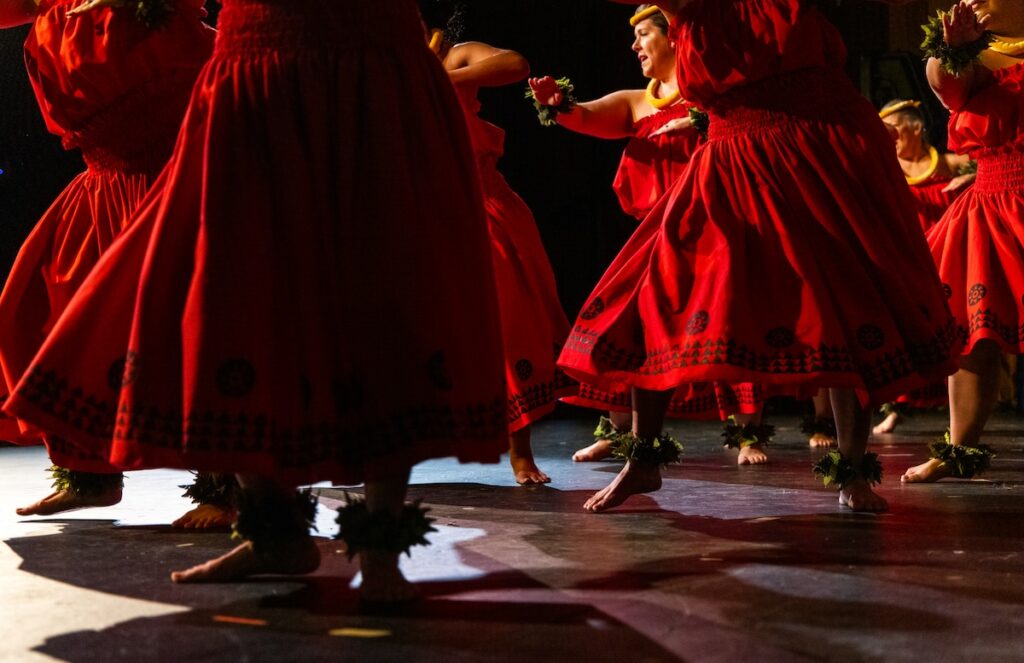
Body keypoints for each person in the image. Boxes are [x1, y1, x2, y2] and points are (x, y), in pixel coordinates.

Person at [6, 0, 508, 602]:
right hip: (253, 57)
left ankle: (379, 549)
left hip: (374, 57)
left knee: (382, 284)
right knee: (227, 287)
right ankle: (273, 528)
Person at [549, 0, 957, 513]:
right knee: (658, 293)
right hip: (733, 152)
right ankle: (644, 457)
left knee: (842, 304)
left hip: (821, 148)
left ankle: (853, 472)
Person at [0, 0, 218, 520]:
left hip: (178, 177)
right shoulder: (46, 5)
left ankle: (232, 489)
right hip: (104, 181)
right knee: (54, 317)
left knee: (192, 329)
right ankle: (89, 472)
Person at [530, 5, 773, 467]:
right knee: (628, 318)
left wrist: (701, 121)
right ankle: (619, 431)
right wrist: (558, 105)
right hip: (656, 231)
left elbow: (747, 119)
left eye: (643, 34)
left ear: (675, 37)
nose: (634, 45)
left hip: (714, 224)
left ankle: (748, 433)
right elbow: (589, 116)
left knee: (723, 319)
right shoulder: (637, 100)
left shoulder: (712, 89)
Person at [422, 1, 575, 485]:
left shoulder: (454, 56)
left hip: (481, 203)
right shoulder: (379, 67)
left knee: (510, 322)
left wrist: (435, 82)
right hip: (419, 210)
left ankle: (520, 452)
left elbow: (516, 64)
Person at [903, 0, 1024, 484]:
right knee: (976, 336)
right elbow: (945, 86)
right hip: (994, 201)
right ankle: (959, 449)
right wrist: (953, 48)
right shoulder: (977, 56)